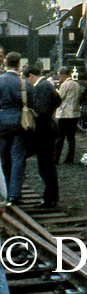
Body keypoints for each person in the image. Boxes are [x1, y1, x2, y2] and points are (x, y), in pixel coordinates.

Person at [24, 65, 60, 209]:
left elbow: (42, 110)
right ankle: (50, 198)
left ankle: (50, 199)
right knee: (47, 166)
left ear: (31, 76)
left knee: (46, 167)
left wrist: (32, 114)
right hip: (47, 130)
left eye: (27, 79)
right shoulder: (47, 85)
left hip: (44, 132)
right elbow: (58, 100)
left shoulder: (42, 87)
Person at [0, 52, 28, 204]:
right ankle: (15, 194)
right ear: (19, 64)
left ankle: (5, 192)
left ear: (5, 63)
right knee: (17, 158)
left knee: (4, 158)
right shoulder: (22, 82)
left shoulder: (0, 81)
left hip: (2, 122)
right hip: (19, 122)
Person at [54, 67, 84, 165]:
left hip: (64, 114)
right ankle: (70, 158)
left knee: (60, 138)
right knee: (71, 138)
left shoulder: (65, 84)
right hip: (75, 113)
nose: (59, 78)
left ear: (64, 75)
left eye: (59, 76)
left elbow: (59, 97)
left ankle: (56, 158)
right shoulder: (77, 85)